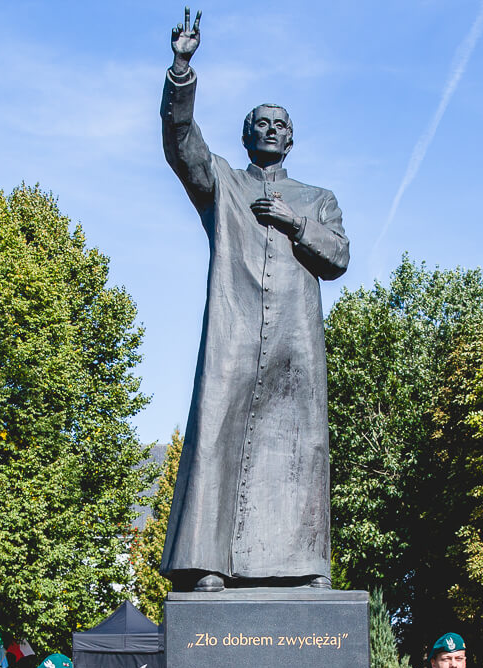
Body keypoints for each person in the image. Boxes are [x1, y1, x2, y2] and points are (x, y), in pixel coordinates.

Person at [156, 9, 349, 591]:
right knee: (219, 431)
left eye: (278, 123)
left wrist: (294, 224)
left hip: (295, 336)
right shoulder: (224, 184)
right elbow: (180, 143)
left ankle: (305, 565)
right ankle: (209, 563)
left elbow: (338, 258)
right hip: (234, 330)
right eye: (258, 123)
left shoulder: (318, 197)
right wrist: (182, 69)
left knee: (300, 447)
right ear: (246, 136)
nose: (268, 129)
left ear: (291, 137)